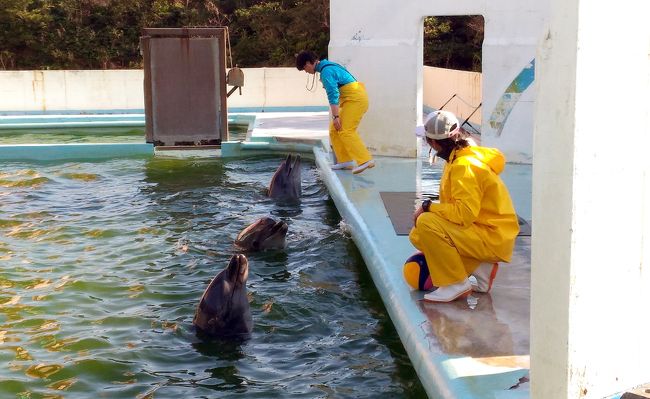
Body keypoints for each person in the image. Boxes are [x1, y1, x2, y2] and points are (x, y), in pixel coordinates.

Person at [408, 110, 519, 302]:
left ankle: (455, 283)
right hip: (488, 232)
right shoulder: (460, 155)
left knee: (426, 223)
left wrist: (427, 207)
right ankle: (480, 267)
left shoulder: (463, 165)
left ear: (433, 143)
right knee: (419, 234)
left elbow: (464, 214)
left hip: (491, 237)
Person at [295, 50, 375, 174]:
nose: (306, 71)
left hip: (356, 100)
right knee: (334, 130)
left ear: (308, 63)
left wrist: (336, 116)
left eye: (304, 68)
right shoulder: (327, 67)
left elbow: (333, 95)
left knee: (346, 130)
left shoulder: (326, 72)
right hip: (352, 99)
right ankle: (345, 161)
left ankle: (365, 160)